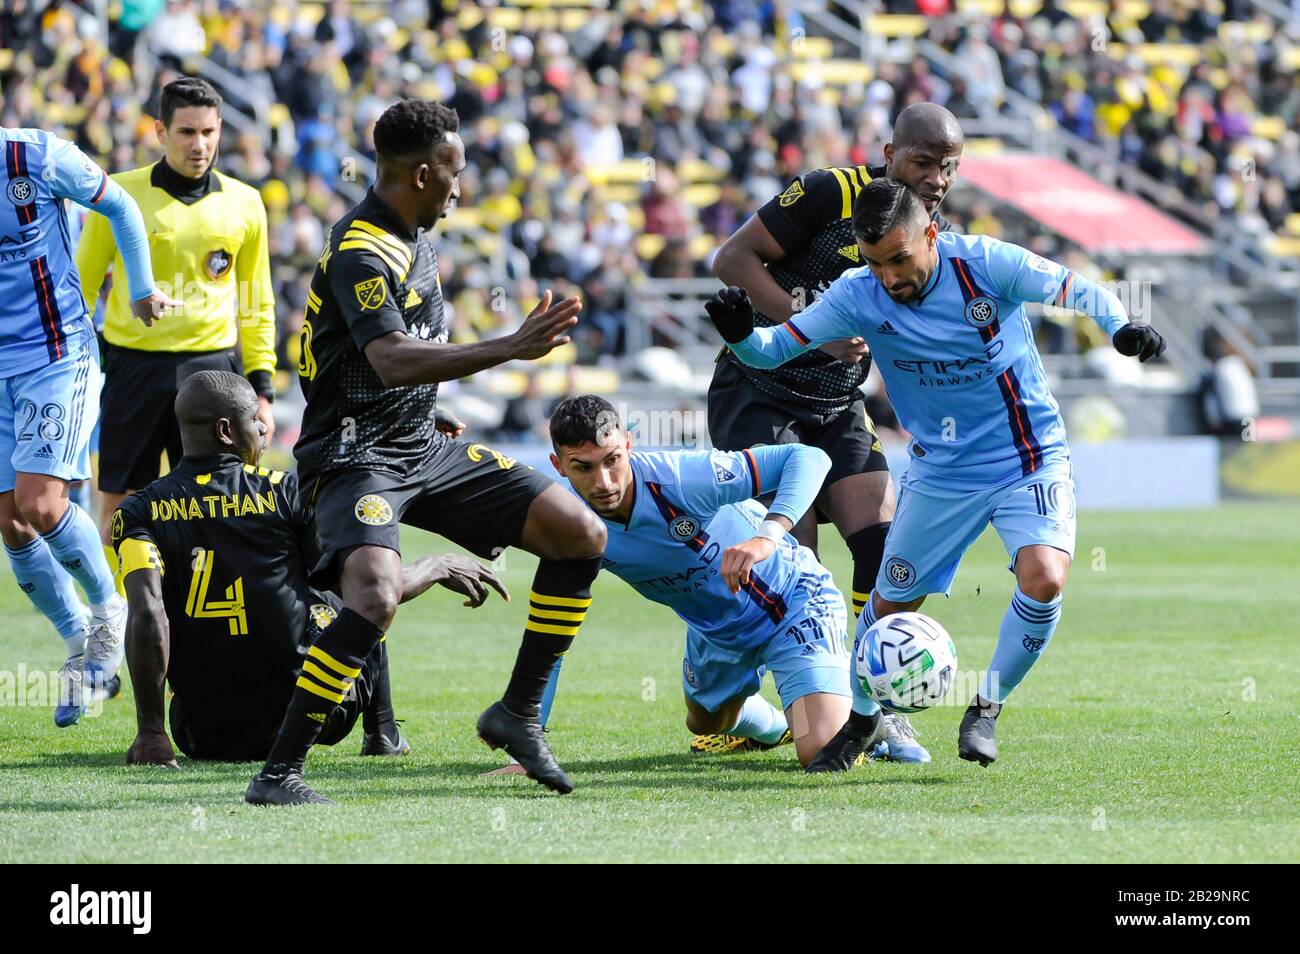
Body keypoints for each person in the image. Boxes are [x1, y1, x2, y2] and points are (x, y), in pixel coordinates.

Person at [708, 178, 1166, 768]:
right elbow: (772, 350)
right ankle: (864, 720)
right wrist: (740, 333)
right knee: (890, 603)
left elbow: (1080, 289)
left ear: (930, 233)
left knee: (1044, 577)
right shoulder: (857, 292)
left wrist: (1120, 326)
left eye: (899, 259)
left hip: (1027, 457)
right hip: (942, 474)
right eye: (876, 264)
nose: (890, 278)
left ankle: (986, 707)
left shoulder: (985, 263)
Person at [246, 99, 606, 804]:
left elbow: (368, 360)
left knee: (579, 533)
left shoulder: (416, 236)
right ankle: (278, 774)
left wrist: (427, 410)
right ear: (418, 173)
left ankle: (518, 714)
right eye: (454, 172)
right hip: (353, 457)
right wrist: (510, 346)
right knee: (376, 595)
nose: (460, 187)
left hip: (417, 442)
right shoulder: (361, 249)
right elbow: (388, 357)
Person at [708, 103, 967, 761]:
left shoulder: (934, 233)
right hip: (757, 394)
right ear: (888, 154)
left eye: (950, 165)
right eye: (924, 162)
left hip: (837, 405)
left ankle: (874, 708)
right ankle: (744, 703)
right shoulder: (831, 193)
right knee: (794, 569)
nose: (937, 176)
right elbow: (731, 258)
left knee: (885, 550)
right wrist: (812, 329)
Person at [115, 371, 505, 769]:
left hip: (199, 733)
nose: (264, 426)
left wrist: (151, 733)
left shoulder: (138, 511)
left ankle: (156, 732)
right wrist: (437, 565)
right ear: (226, 431)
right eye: (255, 418)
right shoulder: (287, 492)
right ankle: (382, 731)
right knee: (361, 581)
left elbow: (148, 613)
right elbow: (370, 590)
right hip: (314, 718)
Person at [546, 395, 878, 769]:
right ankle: (779, 727)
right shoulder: (569, 526)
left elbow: (809, 458)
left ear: (627, 445)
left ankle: (868, 718)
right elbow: (551, 637)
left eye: (612, 460)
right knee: (704, 722)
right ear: (559, 466)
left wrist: (766, 536)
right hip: (714, 632)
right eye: (583, 468)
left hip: (794, 605)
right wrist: (530, 738)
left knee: (820, 752)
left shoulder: (680, 478)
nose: (603, 481)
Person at [0, 124, 173, 727]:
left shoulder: (35, 154)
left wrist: (142, 288)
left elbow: (120, 206)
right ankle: (79, 645)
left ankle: (108, 614)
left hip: (55, 355)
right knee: (9, 520)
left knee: (41, 504)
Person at [76, 77, 277, 572]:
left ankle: (212, 624)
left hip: (213, 369)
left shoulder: (245, 203)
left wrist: (262, 387)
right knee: (123, 506)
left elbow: (256, 300)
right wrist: (81, 367)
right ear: (160, 131)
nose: (200, 144)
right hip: (134, 367)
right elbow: (78, 288)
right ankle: (129, 626)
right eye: (187, 132)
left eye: (209, 131)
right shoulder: (119, 195)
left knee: (224, 501)